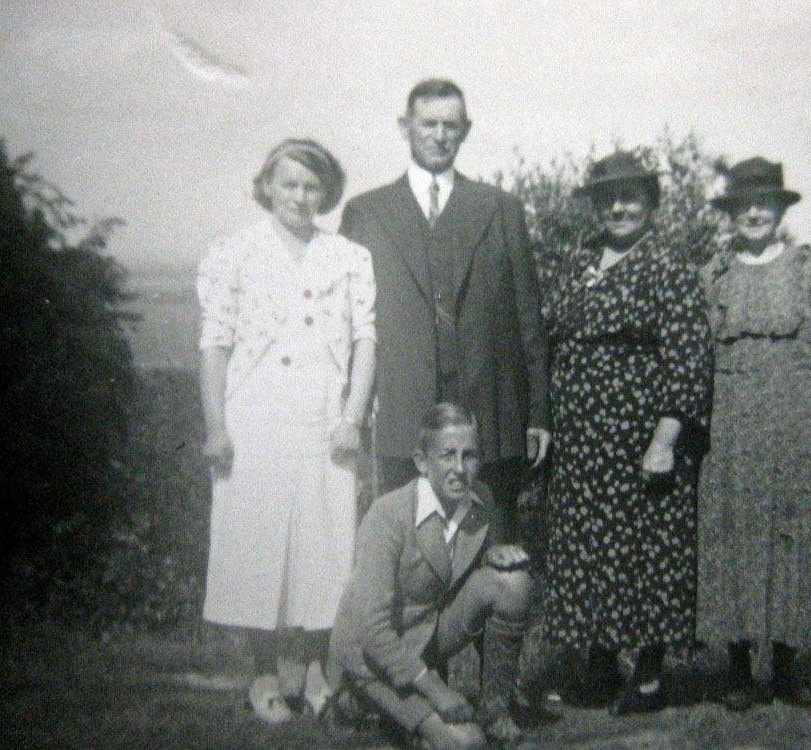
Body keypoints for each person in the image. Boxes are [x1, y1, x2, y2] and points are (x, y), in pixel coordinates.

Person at [197, 138, 376, 723]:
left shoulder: (348, 256)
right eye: (289, 183)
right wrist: (216, 427)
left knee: (327, 548)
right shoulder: (234, 254)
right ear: (267, 186)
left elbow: (364, 342)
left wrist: (352, 416)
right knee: (258, 546)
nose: (300, 196)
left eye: (311, 186)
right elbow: (215, 345)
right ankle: (265, 676)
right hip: (257, 416)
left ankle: (319, 673)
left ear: (326, 192)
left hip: (326, 417)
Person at [534, 152, 713, 715]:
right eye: (607, 198)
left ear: (651, 204)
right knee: (590, 548)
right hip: (582, 439)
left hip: (640, 437)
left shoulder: (668, 269)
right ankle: (601, 666)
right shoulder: (577, 265)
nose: (618, 207)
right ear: (594, 206)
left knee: (649, 549)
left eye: (630, 196)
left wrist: (664, 440)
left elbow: (689, 359)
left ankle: (651, 675)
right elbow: (549, 339)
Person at [338, 79, 550, 540]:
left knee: (491, 552)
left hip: (488, 420)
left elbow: (528, 321)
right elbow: (343, 327)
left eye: (450, 126)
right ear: (405, 127)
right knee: (407, 554)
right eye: (428, 123)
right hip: (400, 418)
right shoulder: (366, 212)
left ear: (466, 130)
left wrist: (537, 414)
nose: (439, 135)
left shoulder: (500, 208)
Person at [696, 157, 811, 711]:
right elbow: (696, 359)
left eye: (764, 204)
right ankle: (740, 671)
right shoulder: (713, 275)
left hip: (802, 426)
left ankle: (787, 668)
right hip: (734, 425)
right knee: (736, 537)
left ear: (781, 211)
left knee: (794, 539)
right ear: (731, 213)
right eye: (743, 205)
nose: (754, 213)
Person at [326, 403, 535, 750]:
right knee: (465, 743)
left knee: (513, 584)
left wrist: (491, 555)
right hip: (372, 654)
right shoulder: (388, 515)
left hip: (427, 636)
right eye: (447, 456)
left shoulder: (480, 499)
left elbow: (445, 566)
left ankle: (495, 711)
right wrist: (434, 687)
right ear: (422, 462)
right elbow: (372, 631)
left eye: (469, 456)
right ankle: (357, 700)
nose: (459, 469)